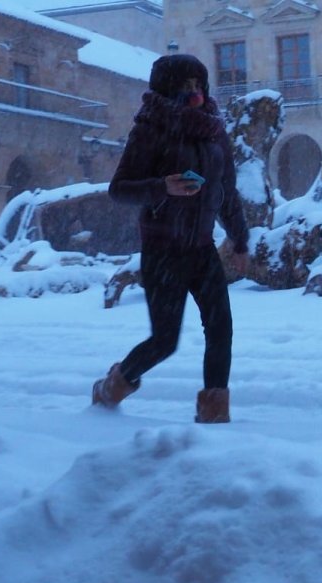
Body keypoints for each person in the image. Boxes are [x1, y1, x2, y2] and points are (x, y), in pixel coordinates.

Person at [91, 53, 250, 423]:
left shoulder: (214, 132)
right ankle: (112, 386)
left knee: (221, 329)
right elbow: (119, 189)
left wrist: (240, 240)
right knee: (165, 341)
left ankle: (214, 416)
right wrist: (163, 187)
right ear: (167, 87)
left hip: (202, 247)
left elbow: (226, 190)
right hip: (163, 250)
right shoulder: (150, 129)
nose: (193, 93)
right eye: (185, 85)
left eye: (198, 85)